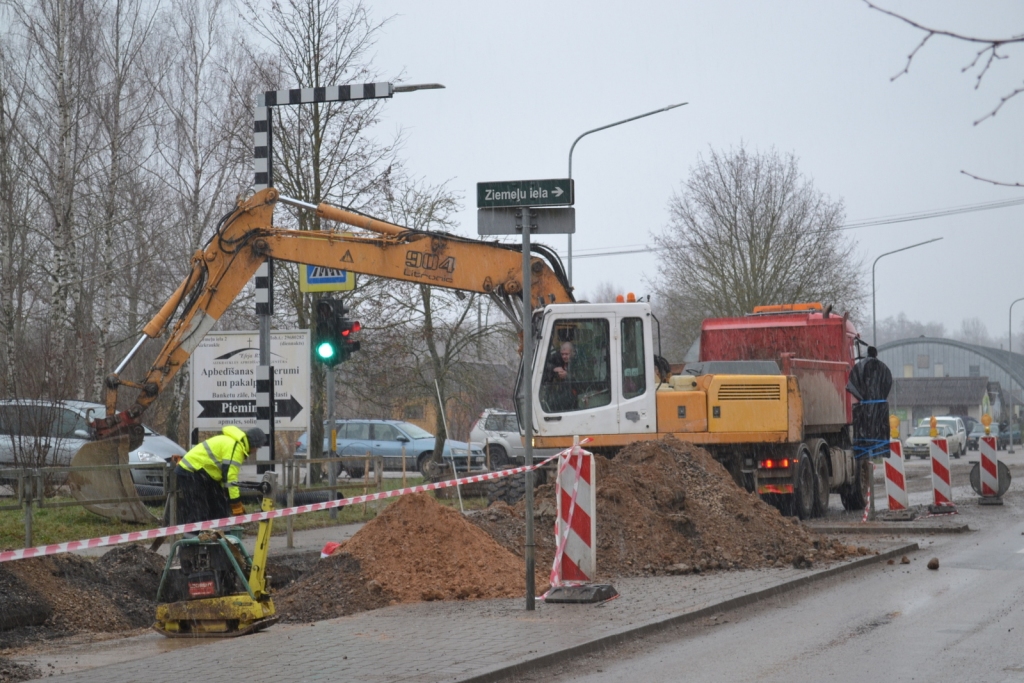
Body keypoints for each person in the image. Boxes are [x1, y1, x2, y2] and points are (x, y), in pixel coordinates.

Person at [175, 425, 266, 524]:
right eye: (257, 447)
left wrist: (226, 497)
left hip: (200, 474)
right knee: (199, 510)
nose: (256, 450)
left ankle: (221, 535)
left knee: (220, 507)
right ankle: (190, 538)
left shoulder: (234, 444)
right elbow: (230, 479)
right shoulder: (236, 448)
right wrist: (236, 504)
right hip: (190, 473)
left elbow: (224, 478)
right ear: (253, 444)